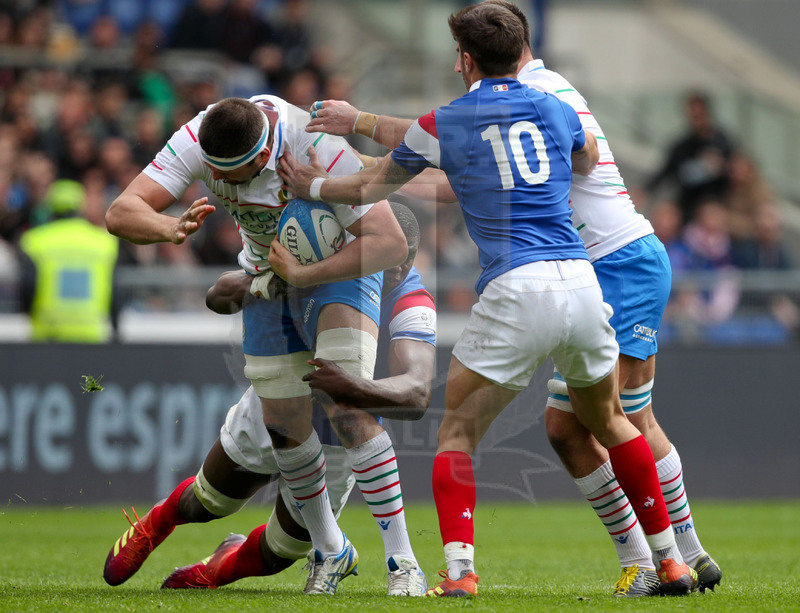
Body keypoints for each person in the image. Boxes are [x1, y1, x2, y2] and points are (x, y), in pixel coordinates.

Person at [301, 0, 722, 596]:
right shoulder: (550, 100)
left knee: (461, 434)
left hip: (587, 265)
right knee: (599, 423)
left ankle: (462, 575)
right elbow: (586, 158)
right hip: (582, 278)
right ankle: (666, 561)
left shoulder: (460, 113)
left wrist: (318, 177)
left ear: (468, 59)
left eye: (456, 57)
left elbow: (388, 173)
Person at [103, 93, 417, 596]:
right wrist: (169, 227)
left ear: (267, 150)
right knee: (214, 496)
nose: (222, 183)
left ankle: (396, 563)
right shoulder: (200, 137)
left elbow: (389, 243)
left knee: (340, 416)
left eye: (236, 173)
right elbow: (121, 212)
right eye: (215, 173)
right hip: (270, 278)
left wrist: (305, 272)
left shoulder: (318, 146)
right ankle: (161, 522)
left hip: (340, 271)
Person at [18, 179, 120, 343]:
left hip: (47, 334)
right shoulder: (104, 243)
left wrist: (29, 315)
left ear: (50, 206)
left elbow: (28, 285)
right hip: (91, 333)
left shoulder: (34, 241)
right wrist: (116, 328)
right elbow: (115, 290)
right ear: (81, 206)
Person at [645, 91, 736, 226]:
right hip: (688, 208)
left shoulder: (723, 142)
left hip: (716, 206)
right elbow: (666, 171)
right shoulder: (683, 145)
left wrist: (721, 167)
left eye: (699, 115)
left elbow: (737, 170)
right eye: (692, 115)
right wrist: (645, 190)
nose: (696, 120)